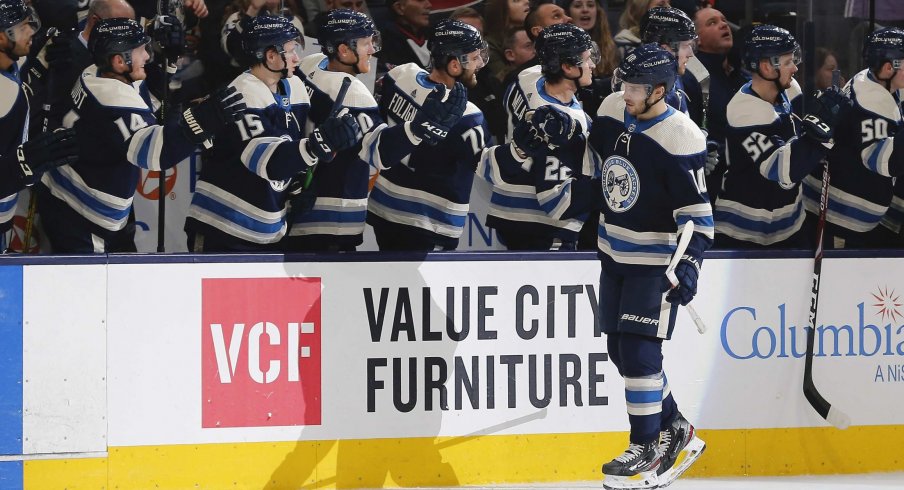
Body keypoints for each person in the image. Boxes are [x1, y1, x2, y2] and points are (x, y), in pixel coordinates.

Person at [590, 43, 710, 490]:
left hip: (655, 262)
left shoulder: (681, 136)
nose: (625, 93)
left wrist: (691, 264)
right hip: (614, 253)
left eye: (636, 87)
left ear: (660, 90)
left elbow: (699, 216)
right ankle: (675, 425)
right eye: (624, 83)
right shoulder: (610, 107)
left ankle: (644, 446)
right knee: (620, 352)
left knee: (641, 354)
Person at [36, 17, 245, 253]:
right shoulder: (112, 99)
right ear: (118, 60)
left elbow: (148, 103)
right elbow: (156, 154)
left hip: (66, 195)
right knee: (90, 288)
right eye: (140, 50)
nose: (147, 55)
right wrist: (203, 120)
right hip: (82, 213)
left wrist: (169, 64)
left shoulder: (95, 72)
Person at [184, 14, 361, 252]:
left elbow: (304, 134)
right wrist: (317, 144)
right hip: (222, 227)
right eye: (291, 50)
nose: (298, 57)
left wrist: (299, 182)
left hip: (268, 230)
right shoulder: (240, 94)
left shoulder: (294, 84)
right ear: (270, 55)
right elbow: (267, 161)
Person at [713, 25, 848, 249]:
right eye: (788, 62)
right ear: (767, 67)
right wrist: (820, 134)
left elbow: (805, 130)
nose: (795, 68)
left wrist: (829, 125)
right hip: (743, 231)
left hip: (790, 223)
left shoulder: (788, 87)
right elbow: (782, 170)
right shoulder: (745, 111)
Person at [365, 19, 482, 251]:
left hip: (383, 207)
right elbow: (487, 167)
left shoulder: (400, 75)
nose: (479, 63)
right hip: (432, 221)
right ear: (455, 65)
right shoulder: (469, 116)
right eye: (474, 57)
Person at [480, 23, 599, 250]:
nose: (592, 64)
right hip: (543, 228)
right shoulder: (563, 124)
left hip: (507, 212)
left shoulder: (527, 78)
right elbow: (558, 203)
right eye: (586, 59)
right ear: (567, 67)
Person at [282, 9, 386, 251]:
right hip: (334, 221)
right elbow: (383, 153)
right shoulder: (358, 96)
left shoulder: (310, 64)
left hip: (293, 205)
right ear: (343, 50)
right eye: (365, 43)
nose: (372, 50)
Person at [801, 27, 904, 249]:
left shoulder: (875, 81)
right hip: (841, 221)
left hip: (851, 217)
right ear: (888, 68)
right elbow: (881, 160)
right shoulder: (872, 100)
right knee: (844, 282)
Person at [0, 0, 78, 249]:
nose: (32, 31)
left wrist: (42, 61)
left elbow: (21, 83)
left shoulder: (12, 64)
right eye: (23, 28)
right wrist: (22, 166)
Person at [683, 6, 745, 202]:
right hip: (708, 184)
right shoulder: (691, 76)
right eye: (712, 23)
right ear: (696, 39)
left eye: (723, 20)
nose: (723, 25)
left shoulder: (738, 72)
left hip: (737, 182)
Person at [500, 0, 571, 90]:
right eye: (556, 16)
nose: (568, 19)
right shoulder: (520, 78)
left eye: (566, 14)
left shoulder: (583, 66)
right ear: (538, 31)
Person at [377, 0, 432, 73]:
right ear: (399, 8)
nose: (429, 5)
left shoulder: (437, 34)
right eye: (420, 0)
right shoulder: (383, 45)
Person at [483, 0, 529, 81]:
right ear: (500, 9)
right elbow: (505, 79)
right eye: (516, 0)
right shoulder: (489, 45)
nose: (526, 1)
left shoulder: (536, 30)